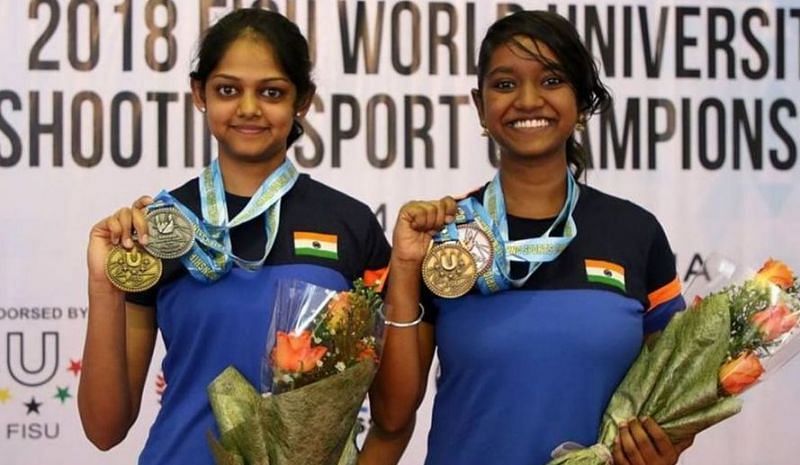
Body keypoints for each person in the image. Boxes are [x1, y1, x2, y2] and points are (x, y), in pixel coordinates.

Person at [361, 10, 691, 465]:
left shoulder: (635, 232)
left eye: (552, 80)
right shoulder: (448, 233)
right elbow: (393, 417)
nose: (528, 99)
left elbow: (680, 394)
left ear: (581, 99)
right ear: (480, 106)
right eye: (504, 84)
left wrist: (662, 446)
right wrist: (403, 268)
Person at [77, 8, 390, 465]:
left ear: (302, 100)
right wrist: (104, 286)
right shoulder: (160, 228)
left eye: (271, 92)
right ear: (198, 93)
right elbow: (104, 429)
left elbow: (394, 413)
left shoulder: (350, 223)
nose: (248, 108)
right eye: (228, 90)